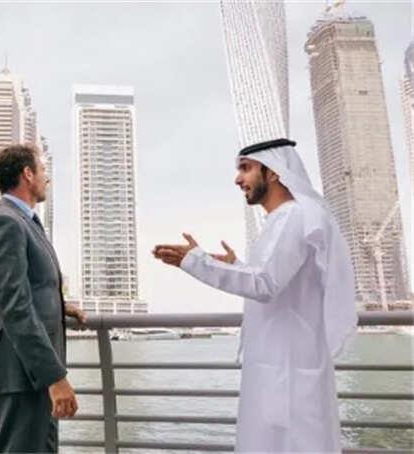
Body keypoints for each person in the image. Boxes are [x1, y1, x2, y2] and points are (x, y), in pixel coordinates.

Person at [153, 138, 357, 452]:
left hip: (288, 370)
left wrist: (196, 261)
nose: (238, 179)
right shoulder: (284, 219)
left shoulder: (293, 217)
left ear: (273, 172)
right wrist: (235, 266)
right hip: (280, 365)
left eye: (246, 169)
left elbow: (264, 283)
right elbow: (279, 280)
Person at [0, 144, 86, 453]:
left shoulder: (24, 222)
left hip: (32, 374)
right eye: (42, 170)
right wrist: (55, 377)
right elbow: (13, 305)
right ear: (27, 174)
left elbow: (29, 288)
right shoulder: (6, 223)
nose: (46, 178)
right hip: (23, 373)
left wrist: (59, 306)